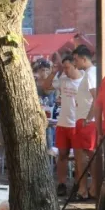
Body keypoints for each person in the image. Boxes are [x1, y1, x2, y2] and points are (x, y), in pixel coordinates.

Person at [42, 55, 81, 196]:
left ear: (75, 65)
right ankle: (62, 183)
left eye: (67, 67)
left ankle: (78, 184)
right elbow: (46, 87)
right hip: (63, 123)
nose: (64, 70)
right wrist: (53, 72)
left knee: (78, 157)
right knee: (62, 155)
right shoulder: (63, 80)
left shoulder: (84, 80)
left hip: (77, 124)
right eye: (63, 68)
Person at [72, 45, 99, 200]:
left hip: (87, 121)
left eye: (76, 60)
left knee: (88, 155)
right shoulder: (88, 74)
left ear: (84, 59)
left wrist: (88, 118)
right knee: (81, 155)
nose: (75, 63)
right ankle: (84, 188)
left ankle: (90, 187)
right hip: (82, 118)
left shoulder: (90, 74)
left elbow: (96, 98)